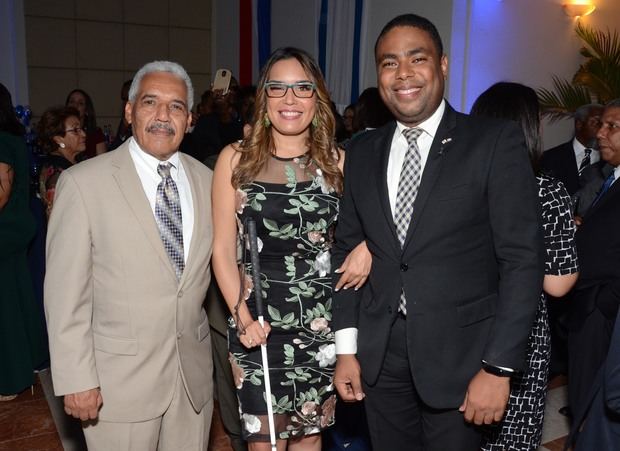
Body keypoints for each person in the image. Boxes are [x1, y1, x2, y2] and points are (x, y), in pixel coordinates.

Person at [331, 14, 543, 451]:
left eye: (417, 58)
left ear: (442, 65)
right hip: (381, 359)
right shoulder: (361, 151)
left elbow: (522, 261)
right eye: (389, 63)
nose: (403, 74)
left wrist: (498, 368)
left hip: (464, 360)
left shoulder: (492, 142)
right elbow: (346, 250)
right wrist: (346, 349)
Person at [45, 60, 214, 450]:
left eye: (175, 107)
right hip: (116, 387)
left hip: (192, 385)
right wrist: (76, 378)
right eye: (150, 102)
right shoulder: (83, 184)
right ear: (129, 110)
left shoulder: (209, 182)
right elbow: (64, 296)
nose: (162, 116)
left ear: (189, 119)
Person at [212, 47, 371, 451]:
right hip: (258, 325)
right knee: (264, 444)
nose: (289, 99)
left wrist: (368, 246)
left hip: (320, 326)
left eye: (302, 88)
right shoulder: (236, 159)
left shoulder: (339, 163)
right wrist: (243, 319)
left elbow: (370, 229)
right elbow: (222, 249)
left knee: (309, 441)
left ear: (317, 99)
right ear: (263, 100)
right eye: (277, 88)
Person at [470, 82, 579, 450]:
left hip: (457, 330)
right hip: (519, 341)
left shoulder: (459, 184)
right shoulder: (544, 190)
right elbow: (558, 283)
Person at [567, 98, 620, 433]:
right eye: (601, 124)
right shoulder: (609, 178)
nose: (601, 132)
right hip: (588, 306)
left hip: (604, 312)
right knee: (584, 402)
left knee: (596, 410)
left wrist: (606, 302)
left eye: (612, 126)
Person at [0, 82, 47, 401]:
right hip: (14, 228)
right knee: (15, 299)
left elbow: (1, 189)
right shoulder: (12, 138)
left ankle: (9, 378)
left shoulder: (1, 142)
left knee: (6, 306)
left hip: (5, 228)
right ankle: (26, 366)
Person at [541, 103, 603, 196]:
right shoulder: (549, 158)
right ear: (579, 124)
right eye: (596, 122)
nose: (602, 129)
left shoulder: (611, 163)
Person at [36, 106, 86, 217]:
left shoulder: (73, 164)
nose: (83, 134)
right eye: (75, 130)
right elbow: (56, 216)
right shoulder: (56, 171)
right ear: (58, 139)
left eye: (81, 129)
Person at [65, 88, 107, 159]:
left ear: (86, 110)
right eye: (72, 102)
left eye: (80, 103)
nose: (75, 105)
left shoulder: (95, 133)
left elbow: (103, 161)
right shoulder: (60, 131)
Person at [109, 79, 133, 150]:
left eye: (128, 99)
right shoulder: (125, 118)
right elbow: (116, 148)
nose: (125, 103)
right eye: (123, 99)